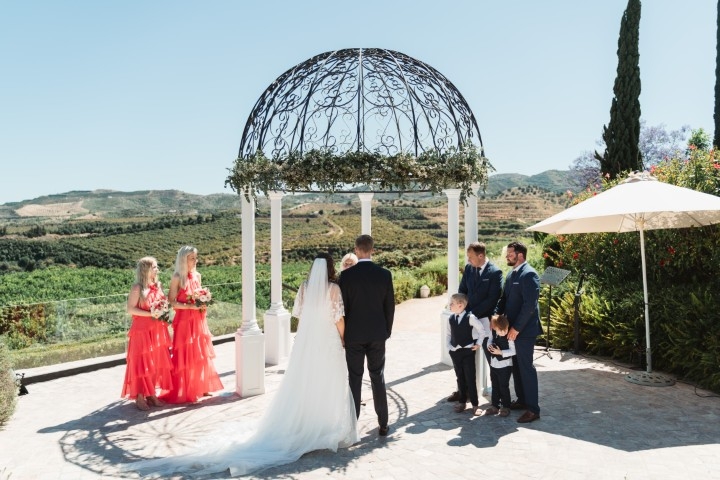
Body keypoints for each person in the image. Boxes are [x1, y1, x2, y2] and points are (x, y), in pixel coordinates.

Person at [125, 253, 359, 477]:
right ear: (330, 268)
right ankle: (327, 429)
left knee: (305, 382)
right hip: (327, 341)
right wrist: (342, 339)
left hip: (308, 343)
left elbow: (299, 314)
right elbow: (338, 319)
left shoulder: (305, 288)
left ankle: (307, 425)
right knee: (330, 381)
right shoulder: (334, 289)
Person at [339, 234, 395, 436]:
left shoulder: (346, 277)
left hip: (353, 336)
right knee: (377, 376)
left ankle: (352, 425)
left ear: (356, 249)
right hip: (378, 334)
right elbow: (390, 308)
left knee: (355, 378)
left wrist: (344, 336)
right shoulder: (385, 274)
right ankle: (383, 423)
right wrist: (386, 331)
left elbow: (342, 310)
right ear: (372, 250)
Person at [160, 246, 223, 404]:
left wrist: (203, 301)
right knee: (185, 354)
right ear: (183, 259)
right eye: (192, 258)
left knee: (199, 352)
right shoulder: (177, 277)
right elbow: (171, 301)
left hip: (198, 320)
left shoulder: (198, 275)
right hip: (184, 321)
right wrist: (189, 306)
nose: (196, 260)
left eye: (196, 257)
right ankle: (186, 389)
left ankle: (201, 386)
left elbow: (198, 296)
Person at [447, 241, 503, 402]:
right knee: (463, 359)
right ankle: (463, 393)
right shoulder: (469, 269)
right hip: (467, 321)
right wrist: (464, 313)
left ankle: (497, 397)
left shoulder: (495, 272)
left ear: (480, 255)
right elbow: (462, 292)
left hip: (485, 321)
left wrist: (471, 314)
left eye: (470, 257)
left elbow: (493, 299)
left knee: (490, 358)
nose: (468, 260)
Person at [495, 241, 542, 423]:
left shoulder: (529, 274)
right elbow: (505, 298)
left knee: (526, 368)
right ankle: (522, 400)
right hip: (511, 330)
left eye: (510, 253)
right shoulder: (511, 273)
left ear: (520, 255)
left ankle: (533, 409)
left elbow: (530, 305)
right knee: (516, 368)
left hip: (524, 330)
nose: (507, 256)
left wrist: (516, 328)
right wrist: (496, 316)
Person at [120, 256, 173, 411]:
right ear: (146, 269)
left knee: (155, 362)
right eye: (154, 267)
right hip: (142, 331)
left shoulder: (158, 286)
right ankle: (139, 396)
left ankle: (151, 394)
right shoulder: (137, 288)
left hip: (157, 330)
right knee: (142, 364)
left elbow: (163, 305)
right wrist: (151, 314)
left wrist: (163, 313)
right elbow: (131, 309)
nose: (157, 269)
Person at [446, 293, 487, 416]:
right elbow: (448, 334)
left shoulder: (470, 317)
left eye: (452, 303)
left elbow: (482, 331)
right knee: (460, 377)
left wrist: (478, 343)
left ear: (460, 305)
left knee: (470, 377)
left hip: (467, 351)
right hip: (455, 352)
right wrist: (449, 347)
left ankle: (475, 404)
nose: (449, 305)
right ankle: (462, 401)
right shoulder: (451, 318)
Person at [482, 314, 516, 417]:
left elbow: (513, 351)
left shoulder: (509, 336)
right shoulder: (494, 332)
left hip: (505, 365)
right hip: (494, 364)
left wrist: (500, 352)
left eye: (504, 329)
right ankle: (495, 406)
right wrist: (489, 346)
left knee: (503, 386)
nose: (502, 332)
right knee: (495, 385)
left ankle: (506, 406)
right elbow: (489, 340)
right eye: (498, 330)